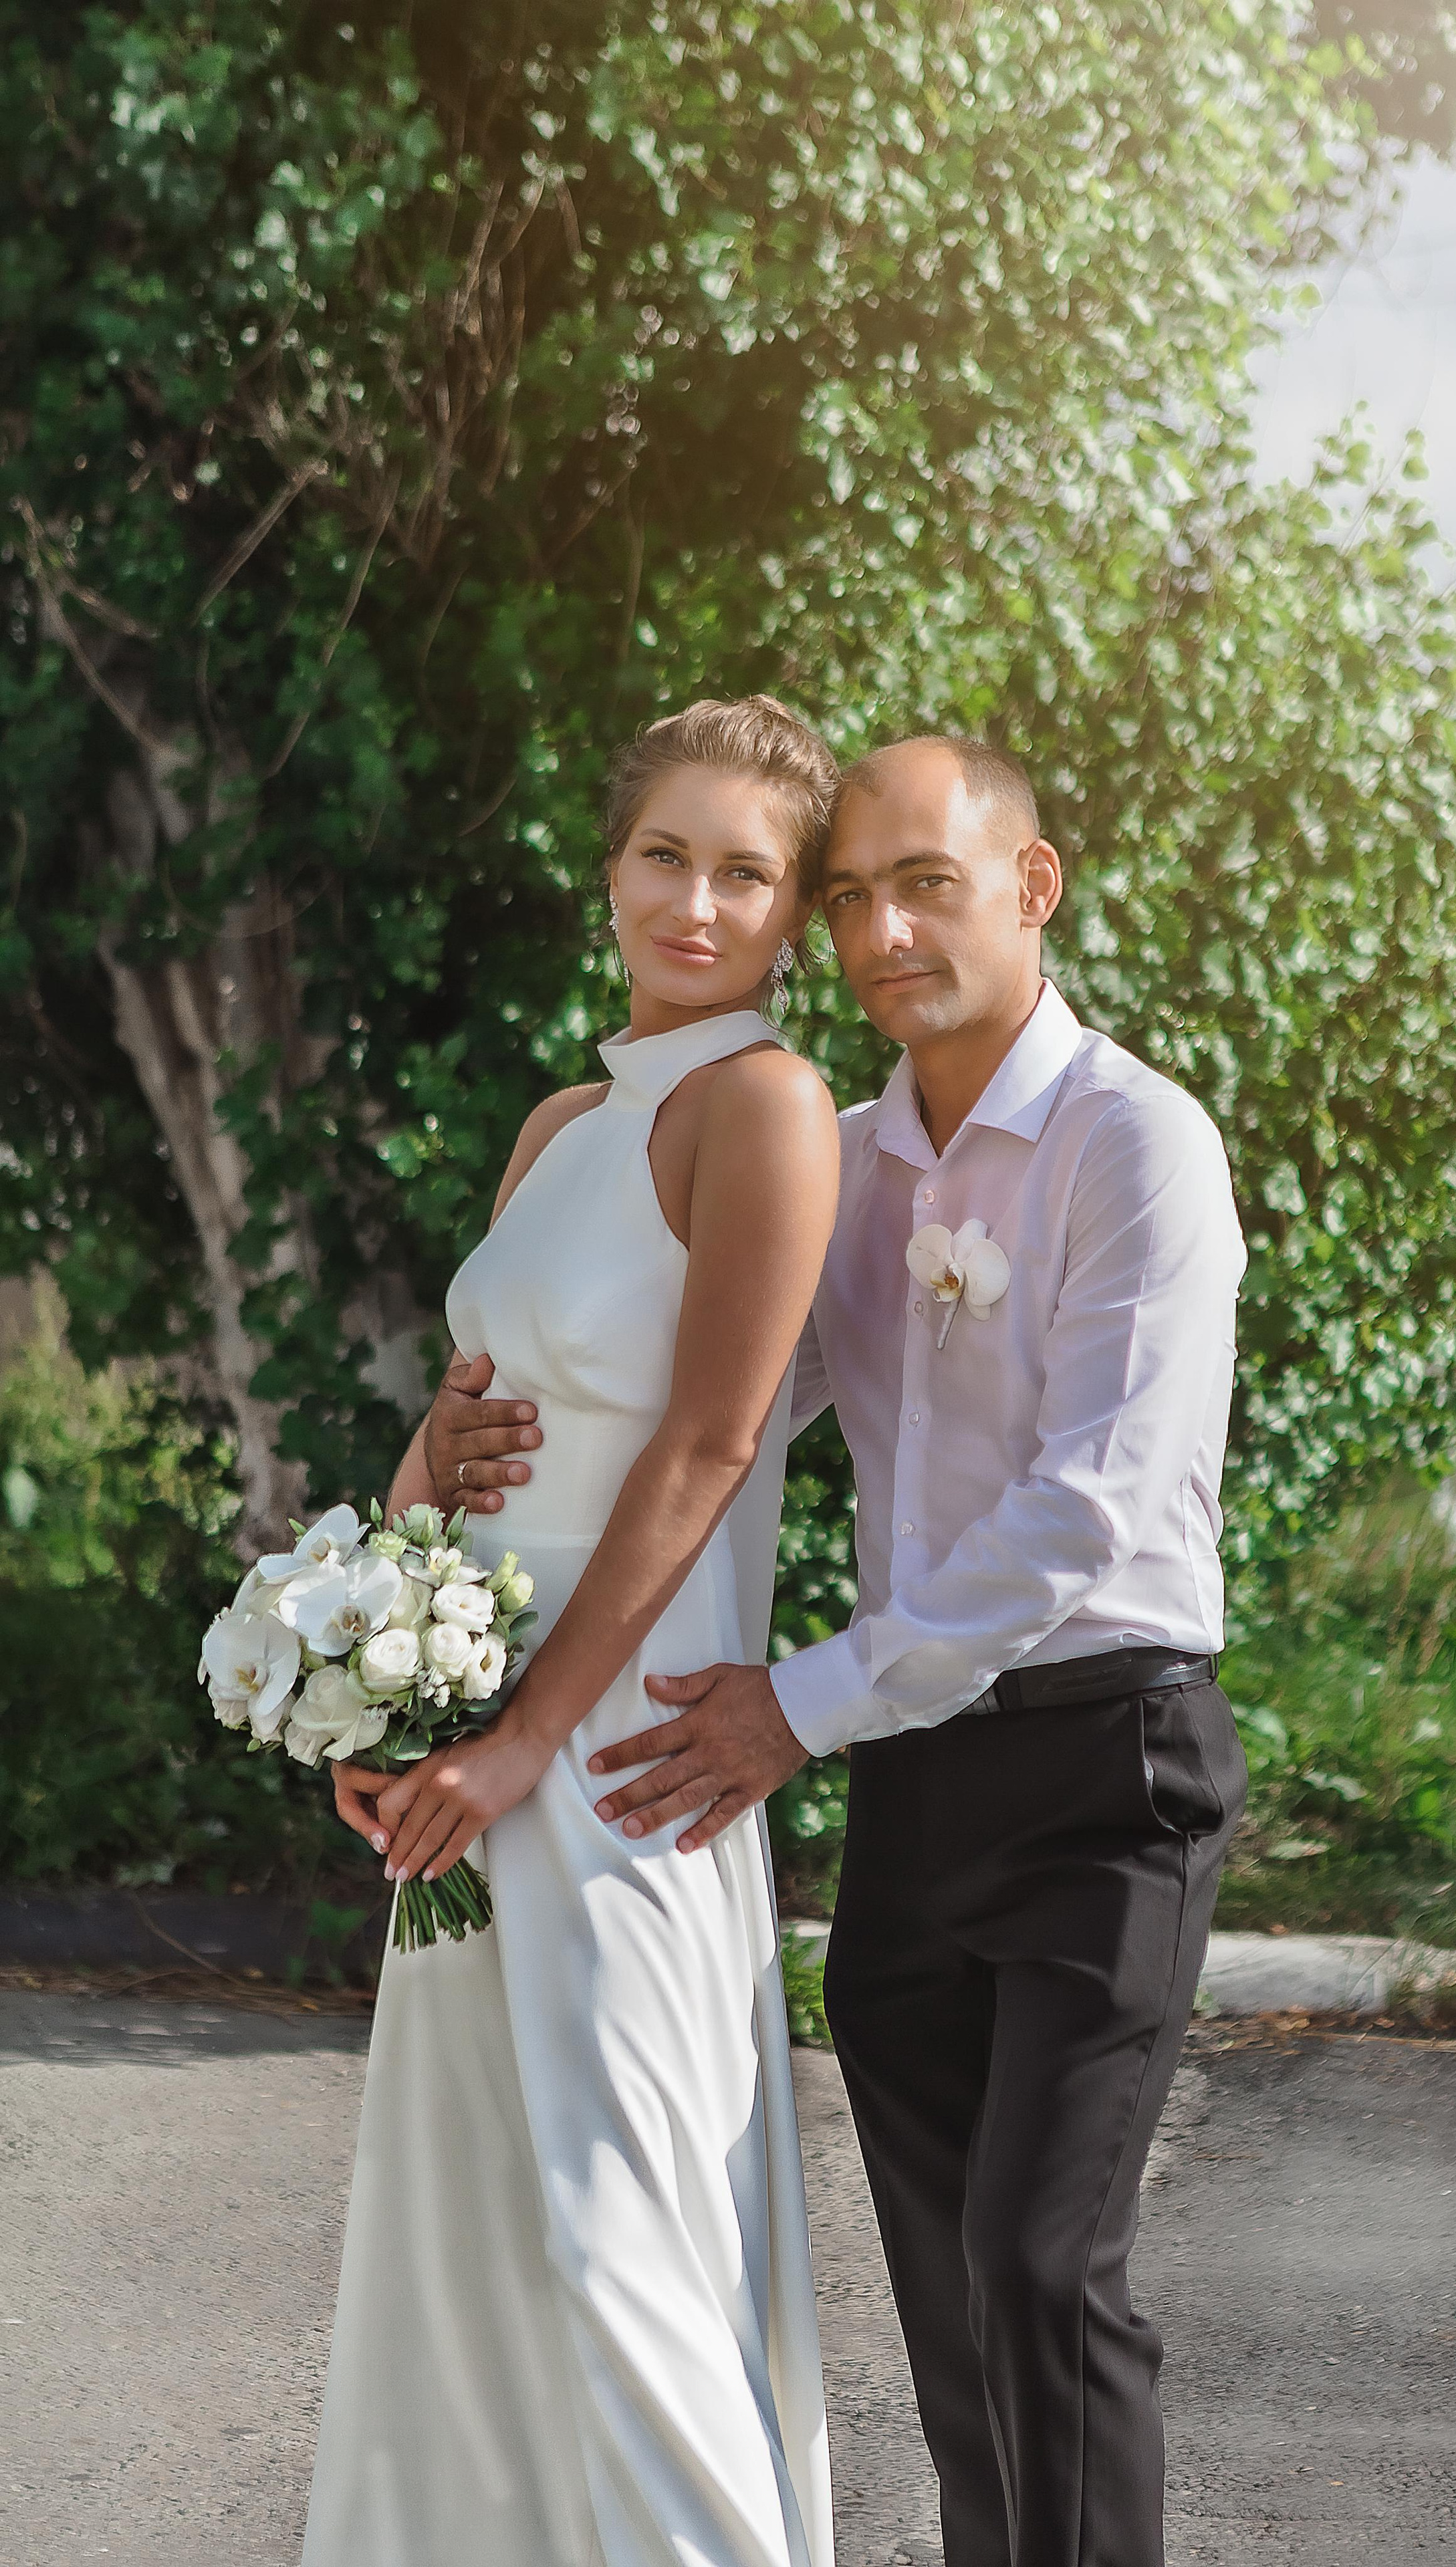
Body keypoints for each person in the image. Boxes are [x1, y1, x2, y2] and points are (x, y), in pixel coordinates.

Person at [431, 735, 1249, 2567]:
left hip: (1106, 1760)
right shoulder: (849, 1151)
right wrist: (472, 1462)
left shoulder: (1139, 1142)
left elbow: (1086, 1517)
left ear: (1030, 888)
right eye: (858, 893)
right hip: (913, 1775)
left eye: (927, 885)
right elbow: (710, 1410)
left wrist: (791, 1704)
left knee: (1048, 2274)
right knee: (956, 2305)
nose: (884, 928)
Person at [301, 697, 842, 2567]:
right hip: (469, 1751)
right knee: (474, 2244)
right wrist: (369, 1681)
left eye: (747, 873)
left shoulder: (765, 1108)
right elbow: (459, 1413)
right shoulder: (566, 1120)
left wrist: (532, 1731)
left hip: (612, 1754)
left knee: (625, 2248)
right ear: (610, 869)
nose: (696, 902)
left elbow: (708, 1440)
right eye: (665, 856)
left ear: (795, 915)